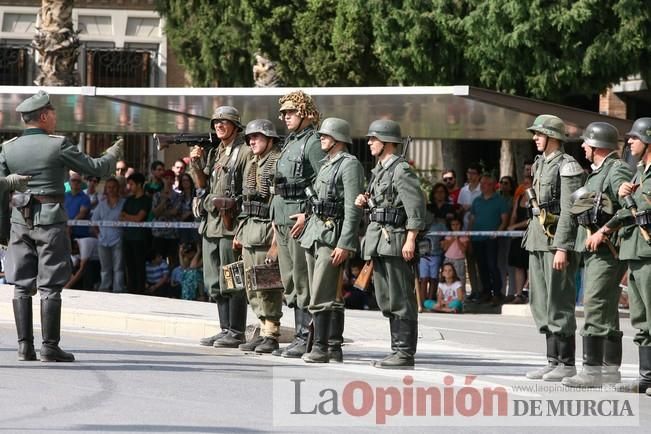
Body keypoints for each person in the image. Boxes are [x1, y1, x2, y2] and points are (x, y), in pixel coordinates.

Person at [0, 90, 121, 362]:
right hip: (50, 220)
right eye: (53, 112)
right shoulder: (58, 145)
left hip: (19, 220)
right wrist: (113, 153)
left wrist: (2, 228)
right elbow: (97, 168)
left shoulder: (8, 147)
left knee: (21, 285)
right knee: (50, 286)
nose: (55, 117)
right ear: (43, 116)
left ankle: (24, 347)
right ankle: (49, 347)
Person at [561, 122, 632, 388]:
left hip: (606, 250)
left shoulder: (617, 170)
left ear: (597, 146)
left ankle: (592, 371)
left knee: (595, 305)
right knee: (606, 310)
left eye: (586, 144)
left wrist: (604, 230)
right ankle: (609, 370)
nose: (582, 147)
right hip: (595, 249)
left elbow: (629, 206)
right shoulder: (597, 172)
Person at [355, 119, 426, 369]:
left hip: (395, 241)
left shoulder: (400, 170)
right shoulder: (380, 170)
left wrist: (410, 239)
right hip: (380, 242)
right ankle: (396, 349)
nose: (370, 142)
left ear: (386, 142)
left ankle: (404, 353)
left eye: (374, 139)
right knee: (386, 298)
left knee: (400, 298)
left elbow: (415, 208)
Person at [592, 117, 651, 394]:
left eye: (634, 138)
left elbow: (637, 209)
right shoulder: (639, 171)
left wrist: (606, 227)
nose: (629, 142)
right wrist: (628, 194)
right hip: (635, 252)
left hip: (649, 253)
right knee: (640, 318)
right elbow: (630, 208)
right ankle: (647, 378)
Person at [523, 114, 584, 382]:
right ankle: (552, 360)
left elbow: (571, 211)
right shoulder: (540, 164)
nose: (535, 138)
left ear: (553, 137)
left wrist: (562, 247)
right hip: (537, 239)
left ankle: (566, 363)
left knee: (559, 300)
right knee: (541, 302)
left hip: (555, 242)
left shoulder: (567, 166)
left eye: (539, 133)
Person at [300, 117, 364, 363]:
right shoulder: (327, 163)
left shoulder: (349, 165)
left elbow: (352, 208)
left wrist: (345, 243)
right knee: (325, 291)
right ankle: (333, 347)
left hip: (333, 235)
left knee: (322, 292)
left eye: (325, 136)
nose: (321, 139)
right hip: (316, 231)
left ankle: (322, 346)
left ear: (338, 138)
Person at [270, 90, 326, 358]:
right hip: (282, 218)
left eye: (290, 112)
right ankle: (299, 334)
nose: (285, 116)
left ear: (304, 113)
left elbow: (322, 182)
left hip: (299, 220)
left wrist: (307, 213)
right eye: (283, 112)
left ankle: (306, 337)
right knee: (289, 280)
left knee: (302, 280)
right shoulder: (291, 142)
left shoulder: (312, 143)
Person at [190, 106, 251, 348]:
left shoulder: (244, 152)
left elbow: (248, 190)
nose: (219, 125)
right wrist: (195, 163)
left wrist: (242, 226)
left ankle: (236, 331)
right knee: (213, 280)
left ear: (235, 125)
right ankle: (224, 328)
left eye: (224, 121)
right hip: (211, 225)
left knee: (232, 277)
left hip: (229, 224)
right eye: (216, 122)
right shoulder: (216, 152)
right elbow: (203, 183)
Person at [233, 119, 284, 354]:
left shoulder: (276, 163)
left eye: (258, 137)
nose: (252, 141)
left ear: (270, 140)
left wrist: (276, 241)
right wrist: (240, 232)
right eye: (250, 138)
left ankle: (271, 334)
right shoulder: (253, 163)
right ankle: (262, 329)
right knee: (252, 286)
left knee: (267, 286)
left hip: (266, 232)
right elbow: (246, 201)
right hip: (251, 230)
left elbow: (278, 204)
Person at [468, 174, 510, 304]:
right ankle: (486, 292)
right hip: (477, 238)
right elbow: (472, 219)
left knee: (492, 265)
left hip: (491, 238)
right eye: (481, 184)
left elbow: (504, 219)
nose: (482, 186)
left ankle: (497, 293)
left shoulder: (500, 200)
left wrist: (498, 232)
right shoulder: (477, 201)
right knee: (481, 266)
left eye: (485, 184)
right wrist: (469, 235)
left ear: (492, 185)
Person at [92, 177, 126, 293]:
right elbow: (93, 221)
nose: (111, 189)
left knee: (118, 267)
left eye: (113, 187)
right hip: (103, 240)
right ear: (106, 189)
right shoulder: (101, 205)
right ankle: (105, 287)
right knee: (105, 267)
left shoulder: (124, 203)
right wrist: (98, 235)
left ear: (118, 188)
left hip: (118, 239)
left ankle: (118, 289)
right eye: (109, 187)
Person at [120, 172, 152, 294]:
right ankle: (131, 290)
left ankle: (140, 291)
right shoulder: (128, 200)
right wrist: (131, 217)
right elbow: (121, 216)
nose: (129, 187)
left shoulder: (146, 200)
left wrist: (128, 216)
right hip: (128, 237)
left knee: (139, 266)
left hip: (140, 238)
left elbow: (139, 218)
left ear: (139, 185)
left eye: (132, 184)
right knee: (129, 266)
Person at [506, 175, 533, 304]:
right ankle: (519, 293)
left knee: (529, 265)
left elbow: (532, 220)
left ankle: (527, 291)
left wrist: (515, 226)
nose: (525, 186)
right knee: (518, 265)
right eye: (524, 183)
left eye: (528, 183)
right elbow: (514, 215)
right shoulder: (519, 198)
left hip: (529, 234)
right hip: (517, 237)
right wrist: (511, 228)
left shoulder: (535, 199)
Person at [151, 169, 181, 268]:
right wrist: (163, 200)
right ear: (163, 180)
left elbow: (175, 212)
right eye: (166, 178)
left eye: (171, 179)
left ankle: (172, 281)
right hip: (159, 233)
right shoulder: (157, 195)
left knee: (173, 260)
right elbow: (155, 213)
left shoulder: (178, 196)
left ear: (173, 181)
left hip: (173, 234)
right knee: (159, 259)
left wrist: (162, 212)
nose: (168, 181)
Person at [442, 216, 469, 289]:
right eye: (453, 225)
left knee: (460, 279)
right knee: (447, 278)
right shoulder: (448, 234)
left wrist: (458, 239)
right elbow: (445, 248)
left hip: (459, 260)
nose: (455, 226)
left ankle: (461, 298)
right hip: (448, 259)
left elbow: (463, 250)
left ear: (460, 225)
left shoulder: (464, 235)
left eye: (457, 224)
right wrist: (453, 238)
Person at [64, 170, 92, 240]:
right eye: (73, 180)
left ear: (81, 183)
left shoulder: (85, 198)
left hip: (80, 234)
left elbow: (82, 214)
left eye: (78, 181)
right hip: (65, 231)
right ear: (69, 183)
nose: (76, 182)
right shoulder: (64, 196)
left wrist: (70, 225)